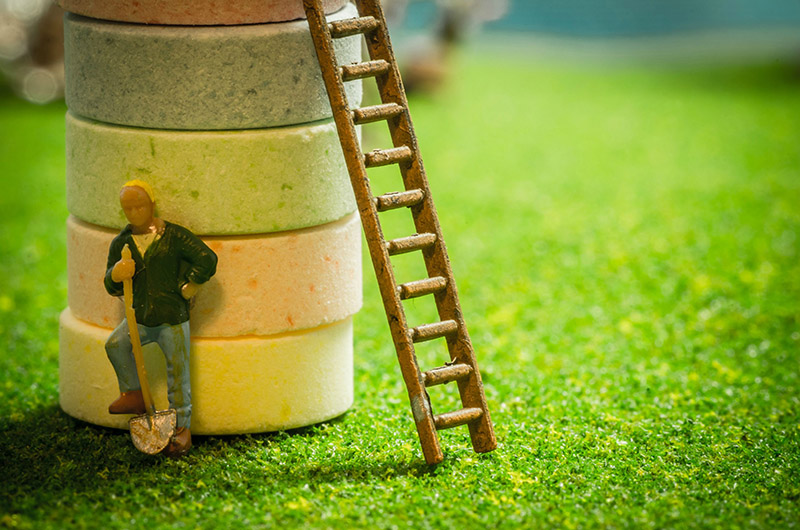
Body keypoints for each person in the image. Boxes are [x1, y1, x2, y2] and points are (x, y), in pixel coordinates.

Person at [103, 180, 217, 457]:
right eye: (127, 208)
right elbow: (110, 284)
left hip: (172, 319)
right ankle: (133, 393)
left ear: (152, 204)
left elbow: (207, 258)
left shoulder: (173, 236)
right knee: (115, 344)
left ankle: (181, 429)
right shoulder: (123, 243)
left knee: (178, 374)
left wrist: (192, 285)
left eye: (139, 205)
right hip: (138, 317)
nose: (134, 212)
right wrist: (116, 274)